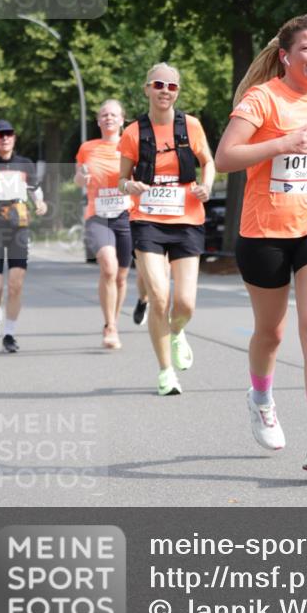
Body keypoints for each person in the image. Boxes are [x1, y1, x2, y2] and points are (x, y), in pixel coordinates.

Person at [214, 14, 307, 474]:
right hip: (264, 232)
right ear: (285, 56)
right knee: (272, 332)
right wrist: (281, 143)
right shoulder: (261, 99)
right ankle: (261, 398)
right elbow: (225, 159)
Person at [118, 63, 215, 395]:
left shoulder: (191, 126)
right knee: (159, 296)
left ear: (177, 92)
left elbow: (209, 162)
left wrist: (207, 186)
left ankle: (177, 331)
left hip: (187, 219)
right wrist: (128, 187)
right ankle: (165, 372)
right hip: (147, 219)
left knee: (185, 303)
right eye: (159, 84)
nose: (165, 91)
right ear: (146, 88)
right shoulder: (133, 132)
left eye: (172, 86)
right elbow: (121, 179)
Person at [0, 120, 47, 352]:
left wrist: (40, 202)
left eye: (9, 134)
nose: (5, 138)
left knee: (15, 285)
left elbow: (34, 189)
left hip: (19, 230)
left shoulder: (25, 164)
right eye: (0, 135)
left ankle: (9, 334)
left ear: (14, 138)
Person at [75, 100, 132, 349]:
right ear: (98, 121)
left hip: (126, 214)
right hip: (97, 215)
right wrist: (82, 177)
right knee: (109, 267)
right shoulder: (87, 148)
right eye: (104, 115)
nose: (108, 118)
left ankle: (115, 322)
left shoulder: (131, 146)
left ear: (122, 120)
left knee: (121, 276)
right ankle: (109, 326)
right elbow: (78, 178)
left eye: (113, 114)